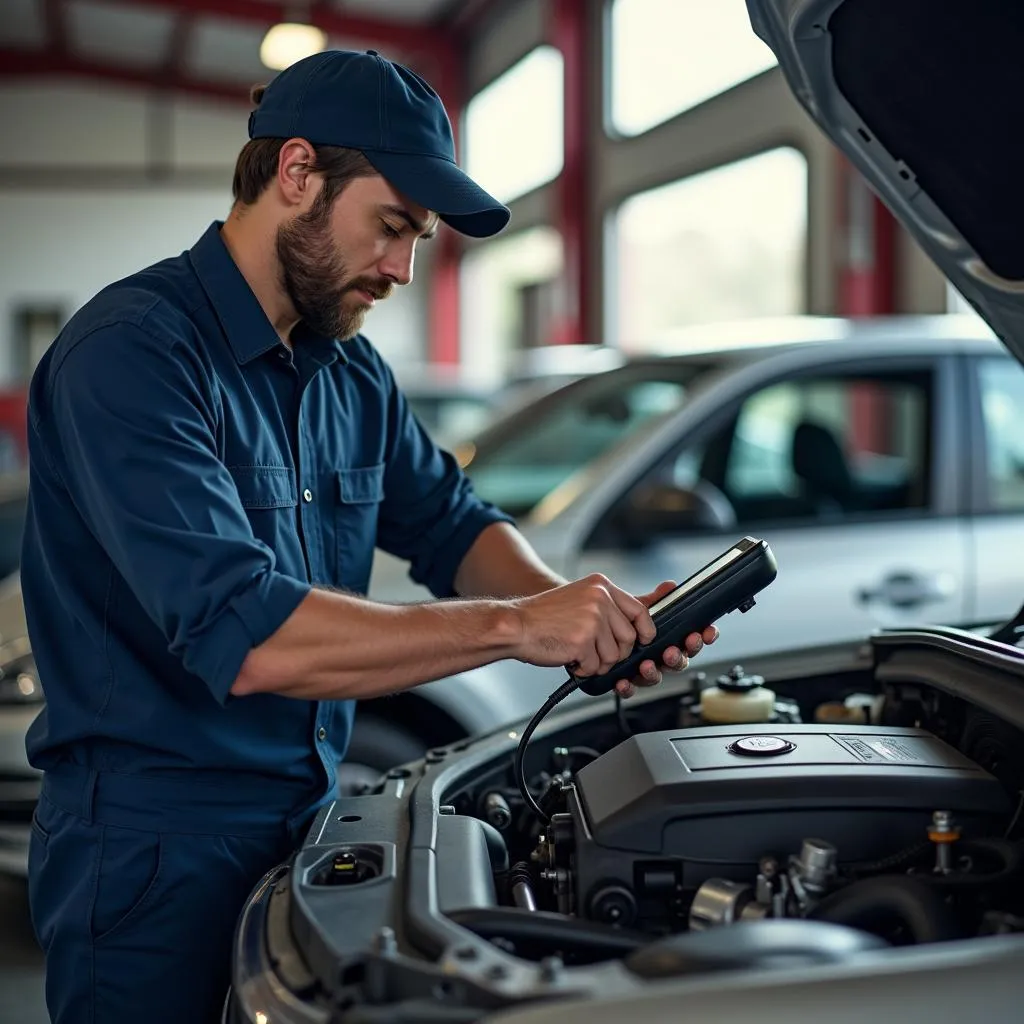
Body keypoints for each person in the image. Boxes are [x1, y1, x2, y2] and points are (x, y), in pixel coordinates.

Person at [21, 49, 718, 1024]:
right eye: (391, 226)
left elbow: (452, 523)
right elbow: (253, 635)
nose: (401, 268)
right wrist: (516, 625)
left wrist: (586, 612)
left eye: (419, 238)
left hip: (309, 823)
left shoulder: (349, 373)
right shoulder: (133, 355)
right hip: (151, 855)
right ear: (296, 173)